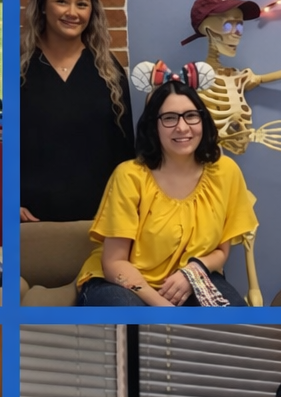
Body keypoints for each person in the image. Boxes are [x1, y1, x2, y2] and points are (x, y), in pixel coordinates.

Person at [75, 77, 257, 306]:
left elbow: (221, 251)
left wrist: (193, 271)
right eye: (169, 118)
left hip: (189, 276)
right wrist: (162, 307)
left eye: (190, 115)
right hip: (122, 281)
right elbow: (114, 263)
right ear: (154, 126)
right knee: (138, 323)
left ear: (203, 120)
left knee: (233, 319)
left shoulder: (226, 171)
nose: (182, 127)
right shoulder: (129, 176)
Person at [19, 0, 134, 223]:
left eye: (82, 4)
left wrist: (122, 210)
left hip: (98, 218)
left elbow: (124, 150)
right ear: (43, 6)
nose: (72, 12)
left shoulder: (108, 69)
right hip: (31, 218)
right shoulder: (18, 66)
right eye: (61, 1)